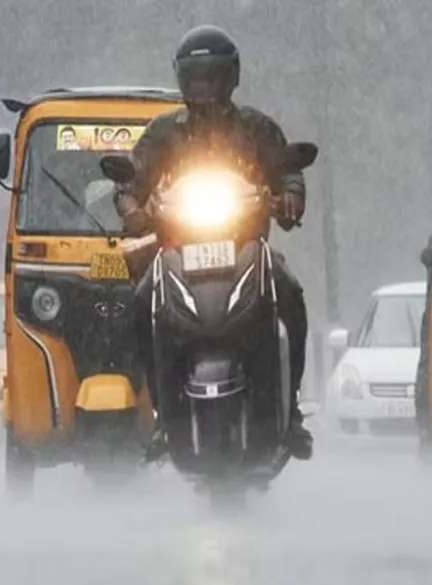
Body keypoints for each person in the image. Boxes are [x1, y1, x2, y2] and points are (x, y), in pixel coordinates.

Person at [112, 24, 313, 462]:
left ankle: (292, 409)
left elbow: (286, 169)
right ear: (183, 81)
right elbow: (132, 177)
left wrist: (290, 195)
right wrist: (131, 208)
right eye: (196, 78)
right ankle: (165, 416)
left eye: (213, 77)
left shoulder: (255, 128)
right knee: (140, 304)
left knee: (293, 295)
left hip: (245, 246)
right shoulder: (164, 132)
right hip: (178, 250)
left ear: (231, 78)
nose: (204, 88)